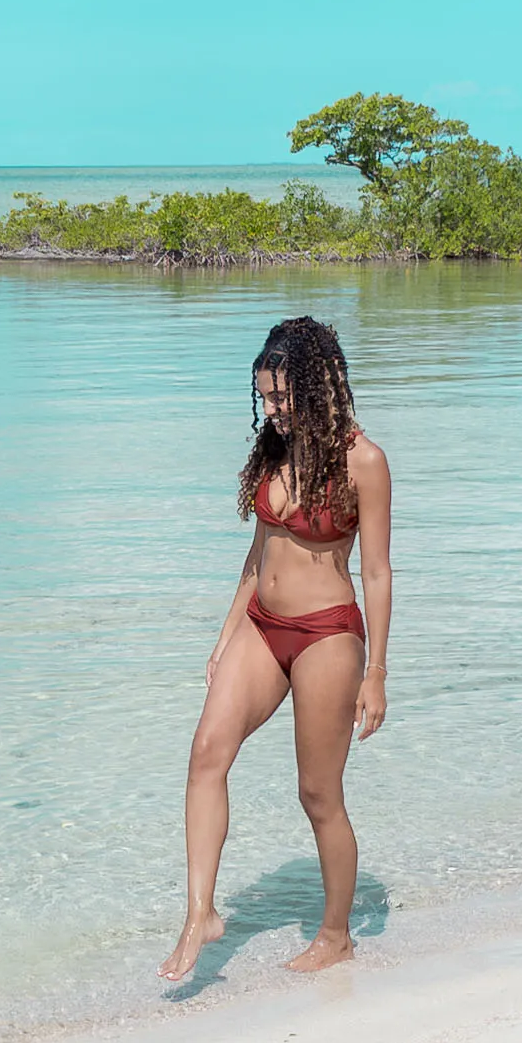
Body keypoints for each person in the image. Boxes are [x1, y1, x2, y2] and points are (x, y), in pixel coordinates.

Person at [161, 315, 393, 980]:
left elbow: (376, 571)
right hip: (261, 624)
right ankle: (200, 912)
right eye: (264, 397)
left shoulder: (363, 461)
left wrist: (376, 672)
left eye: (281, 398)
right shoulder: (272, 449)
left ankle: (336, 933)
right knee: (206, 753)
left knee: (318, 794)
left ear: (319, 386)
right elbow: (257, 552)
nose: (271, 410)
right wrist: (225, 634)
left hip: (327, 634)